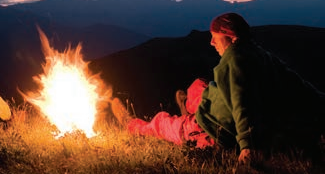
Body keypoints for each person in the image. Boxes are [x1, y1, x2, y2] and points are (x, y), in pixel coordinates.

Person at [112, 12, 325, 164]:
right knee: (199, 86)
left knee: (161, 123)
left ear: (230, 38)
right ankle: (191, 101)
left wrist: (247, 146)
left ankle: (132, 124)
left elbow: (243, 103)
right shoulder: (258, 53)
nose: (212, 44)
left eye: (215, 38)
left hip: (211, 128)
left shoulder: (234, 60)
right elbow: (295, 81)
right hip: (216, 100)